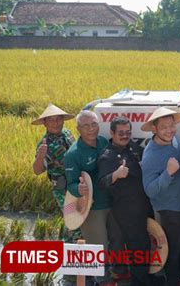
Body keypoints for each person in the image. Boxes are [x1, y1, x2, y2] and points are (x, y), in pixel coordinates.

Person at [98, 116, 153, 286]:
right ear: (112, 133)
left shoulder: (133, 147)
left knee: (143, 246)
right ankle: (139, 282)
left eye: (128, 132)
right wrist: (115, 175)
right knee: (137, 248)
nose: (124, 135)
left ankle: (144, 279)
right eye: (120, 133)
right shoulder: (107, 156)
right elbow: (102, 182)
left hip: (142, 206)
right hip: (126, 211)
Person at [64, 110, 115, 285]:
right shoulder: (73, 154)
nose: (91, 129)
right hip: (92, 208)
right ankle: (101, 281)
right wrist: (79, 188)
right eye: (86, 126)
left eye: (94, 124)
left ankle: (113, 277)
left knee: (114, 243)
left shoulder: (102, 142)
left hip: (112, 202)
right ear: (78, 129)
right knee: (98, 249)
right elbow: (70, 185)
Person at [140, 107, 180, 286]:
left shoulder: (174, 141)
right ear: (154, 129)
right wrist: (168, 173)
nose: (169, 130)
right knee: (172, 252)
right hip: (168, 210)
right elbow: (150, 190)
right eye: (164, 127)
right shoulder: (151, 155)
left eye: (171, 126)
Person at [32, 103, 80, 243]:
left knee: (75, 217)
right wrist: (40, 156)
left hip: (76, 183)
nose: (56, 123)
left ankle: (66, 247)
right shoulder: (45, 144)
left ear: (63, 120)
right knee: (73, 219)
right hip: (62, 188)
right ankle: (71, 249)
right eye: (51, 120)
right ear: (45, 123)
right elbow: (37, 170)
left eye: (58, 119)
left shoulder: (67, 133)